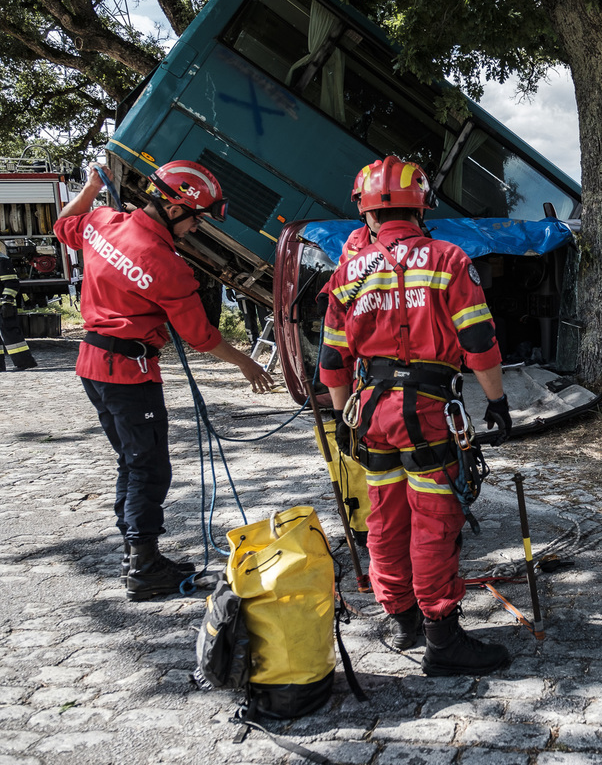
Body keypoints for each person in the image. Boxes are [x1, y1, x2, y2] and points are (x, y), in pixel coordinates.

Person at [320, 156, 514, 676]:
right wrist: (496, 402)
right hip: (426, 412)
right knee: (433, 520)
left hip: (371, 413)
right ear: (421, 207)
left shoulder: (346, 272)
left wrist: (342, 420)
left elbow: (333, 359)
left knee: (384, 516)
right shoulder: (448, 259)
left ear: (367, 214)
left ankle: (402, 618)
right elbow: (478, 341)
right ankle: (442, 638)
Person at [54, 160, 274, 601]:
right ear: (173, 209)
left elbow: (63, 227)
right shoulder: (167, 265)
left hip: (93, 367)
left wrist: (91, 188)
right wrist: (246, 364)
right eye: (196, 218)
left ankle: (136, 554)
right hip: (128, 374)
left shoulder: (103, 221)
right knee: (149, 467)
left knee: (132, 461)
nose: (196, 228)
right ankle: (144, 567)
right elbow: (200, 336)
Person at [0, 244, 37, 371]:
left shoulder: (2, 261)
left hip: (4, 306)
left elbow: (12, 283)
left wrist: (7, 301)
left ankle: (25, 362)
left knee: (11, 335)